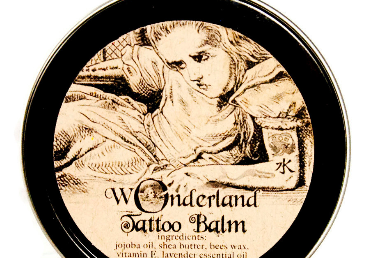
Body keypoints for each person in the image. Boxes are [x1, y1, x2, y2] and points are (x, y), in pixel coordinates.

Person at [54, 21, 312, 193]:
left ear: (232, 45)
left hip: (154, 164)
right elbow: (126, 68)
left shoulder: (265, 86)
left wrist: (204, 174)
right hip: (135, 129)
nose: (193, 75)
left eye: (201, 58)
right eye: (178, 65)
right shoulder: (177, 58)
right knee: (69, 118)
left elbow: (285, 174)